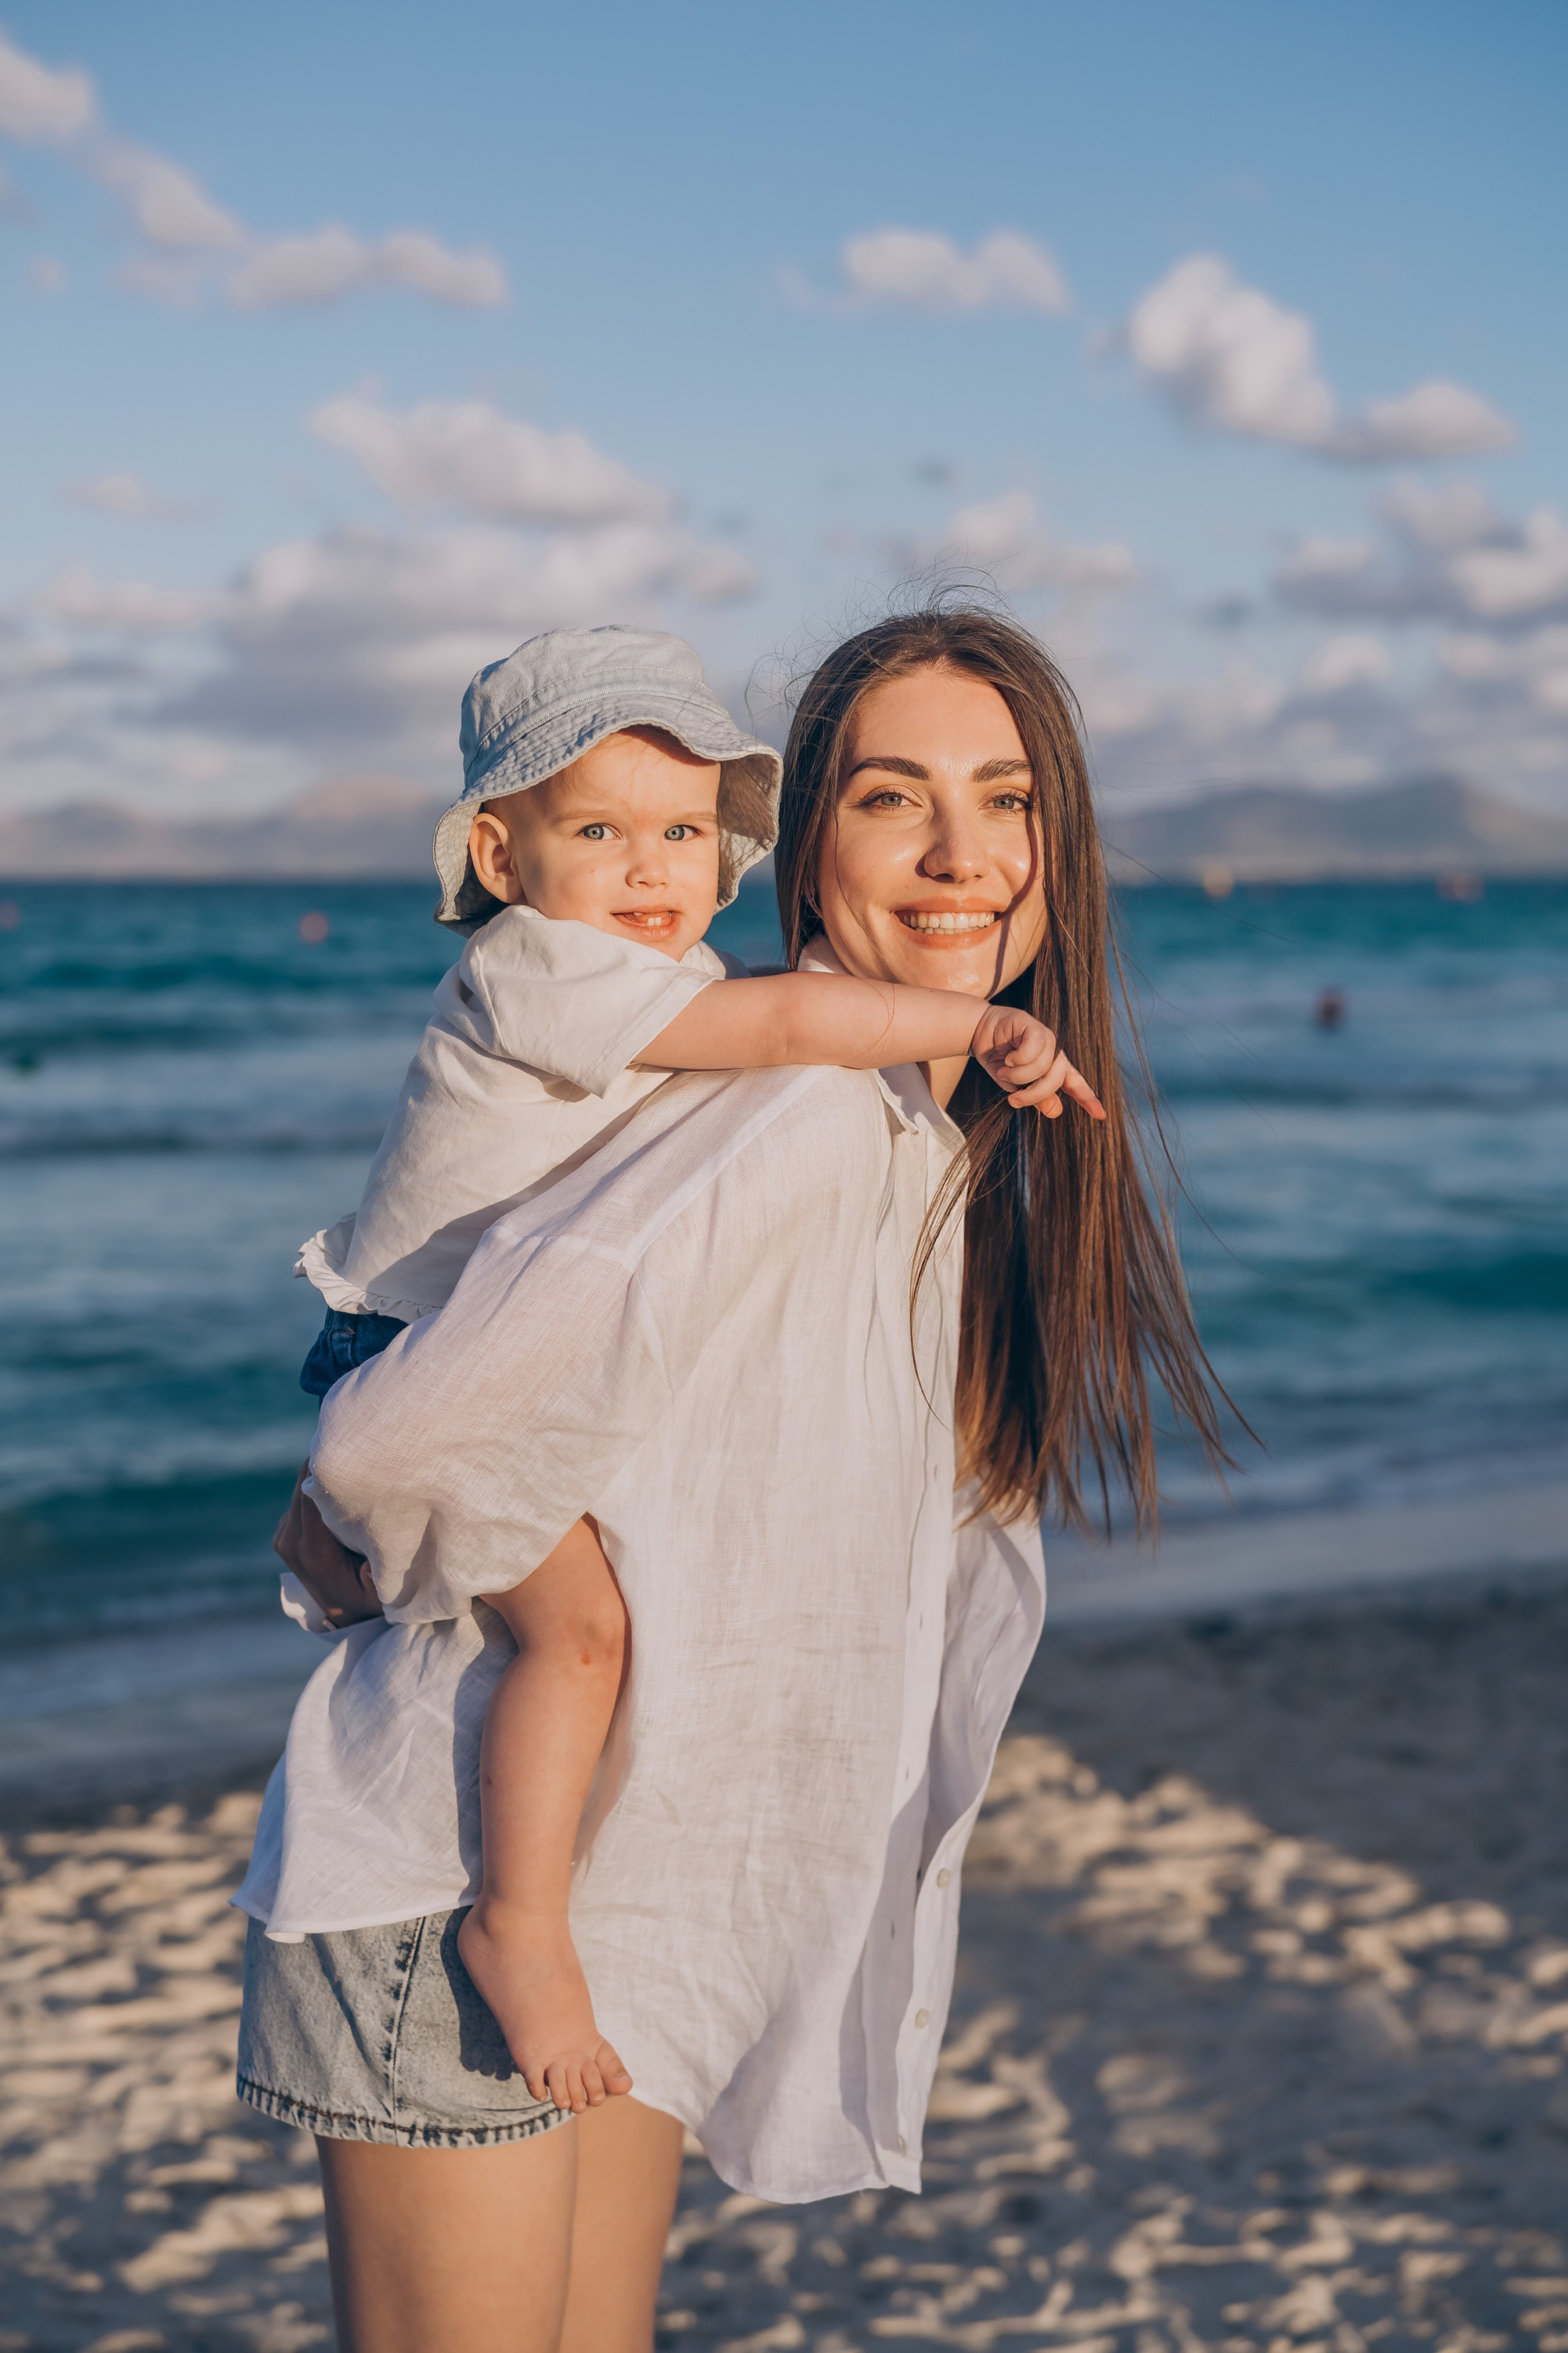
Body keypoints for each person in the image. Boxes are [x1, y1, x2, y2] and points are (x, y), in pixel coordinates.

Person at [246, 604, 1226, 2353]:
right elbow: (391, 1442)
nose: (961, 856)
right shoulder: (792, 1118)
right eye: (891, 800)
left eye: (1006, 800)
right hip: (463, 1890)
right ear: (809, 855)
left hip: (617, 1909)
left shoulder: (920, 1141)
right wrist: (343, 1543)